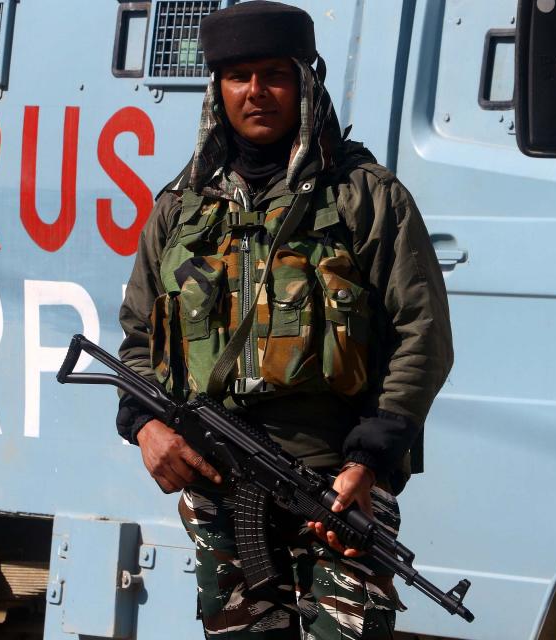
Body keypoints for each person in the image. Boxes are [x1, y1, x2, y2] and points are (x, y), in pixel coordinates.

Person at [117, 2, 452, 637]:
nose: (256, 92)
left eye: (274, 73)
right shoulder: (181, 209)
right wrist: (146, 428)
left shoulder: (365, 197)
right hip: (219, 485)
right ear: (217, 89)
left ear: (304, 80)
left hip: (338, 487)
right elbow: (139, 336)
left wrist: (371, 461)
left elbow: (423, 336)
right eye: (238, 76)